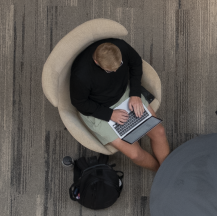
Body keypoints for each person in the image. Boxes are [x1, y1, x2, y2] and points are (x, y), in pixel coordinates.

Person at [70, 39, 169, 171]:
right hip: (99, 109)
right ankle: (160, 171)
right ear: (97, 62)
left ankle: (168, 171)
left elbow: (136, 63)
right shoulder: (81, 75)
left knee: (159, 131)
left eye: (120, 65)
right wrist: (110, 114)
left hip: (125, 94)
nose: (117, 71)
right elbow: (79, 103)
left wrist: (135, 94)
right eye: (111, 70)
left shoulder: (120, 46)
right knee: (135, 154)